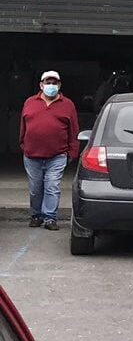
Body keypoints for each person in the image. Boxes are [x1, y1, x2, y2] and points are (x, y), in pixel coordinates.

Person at [20, 71, 79, 231]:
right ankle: (36, 215)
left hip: (57, 155)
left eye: (54, 83)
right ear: (41, 85)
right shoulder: (30, 102)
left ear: (59, 85)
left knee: (52, 187)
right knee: (35, 189)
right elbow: (23, 127)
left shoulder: (68, 104)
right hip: (32, 155)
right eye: (48, 82)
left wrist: (73, 152)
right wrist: (24, 145)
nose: (51, 85)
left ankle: (50, 218)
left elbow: (74, 130)